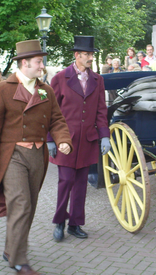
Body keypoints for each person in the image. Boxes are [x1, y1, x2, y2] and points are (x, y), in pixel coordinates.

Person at [0, 39, 72, 275]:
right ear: (24, 63)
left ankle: (11, 249)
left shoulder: (45, 90)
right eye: (38, 61)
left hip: (37, 156)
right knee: (21, 204)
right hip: (12, 156)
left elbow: (57, 120)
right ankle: (19, 261)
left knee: (28, 207)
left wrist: (63, 140)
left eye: (42, 61)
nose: (42, 66)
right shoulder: (2, 89)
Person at [48, 36, 110, 243]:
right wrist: (50, 139)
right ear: (77, 55)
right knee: (66, 181)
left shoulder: (98, 80)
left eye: (92, 54)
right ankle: (59, 222)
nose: (91, 57)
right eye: (88, 54)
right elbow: (50, 111)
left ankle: (75, 224)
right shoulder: (59, 78)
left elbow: (101, 110)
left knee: (81, 183)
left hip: (88, 141)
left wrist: (104, 136)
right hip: (65, 140)